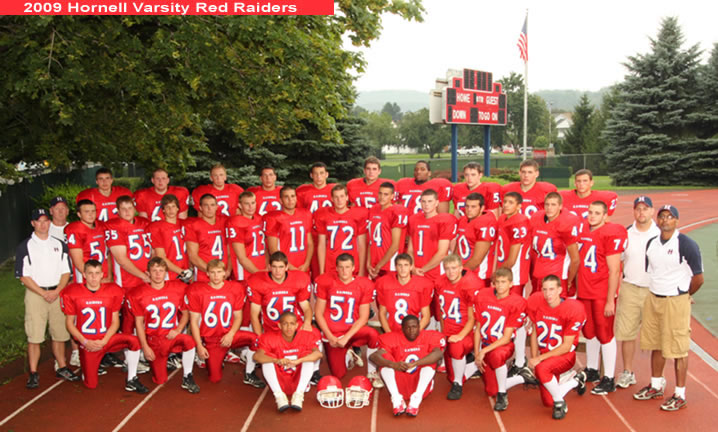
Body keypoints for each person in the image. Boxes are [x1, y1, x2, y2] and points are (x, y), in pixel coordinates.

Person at [634, 204, 704, 411]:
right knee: (656, 342)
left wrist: (684, 294)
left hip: (676, 300)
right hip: (654, 298)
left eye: (670, 217)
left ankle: (680, 394)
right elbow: (653, 272)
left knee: (679, 347)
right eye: (662, 216)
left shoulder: (686, 244)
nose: (665, 220)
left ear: (676, 220)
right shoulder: (652, 244)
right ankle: (656, 384)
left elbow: (698, 278)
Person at [60, 259, 148, 393]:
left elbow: (115, 322)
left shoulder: (112, 291)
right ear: (84, 274)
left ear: (102, 274)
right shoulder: (72, 292)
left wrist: (105, 341)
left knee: (134, 341)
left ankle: (132, 379)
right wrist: (84, 341)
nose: (94, 277)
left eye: (97, 273)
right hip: (87, 342)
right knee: (91, 385)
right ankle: (87, 367)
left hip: (106, 339)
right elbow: (69, 324)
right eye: (90, 273)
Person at [16, 208, 78, 389]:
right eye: (39, 221)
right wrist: (43, 293)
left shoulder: (59, 244)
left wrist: (58, 290)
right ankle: (34, 372)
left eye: (45, 220)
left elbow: (66, 271)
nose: (43, 224)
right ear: (33, 223)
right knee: (34, 336)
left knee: (59, 334)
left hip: (57, 292)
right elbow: (23, 276)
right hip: (36, 294)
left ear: (49, 222)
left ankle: (62, 366)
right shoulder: (25, 246)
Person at [576, 201, 627, 395]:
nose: (592, 216)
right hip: (585, 291)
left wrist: (609, 299)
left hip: (600, 292)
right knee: (589, 332)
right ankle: (592, 370)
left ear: (606, 216)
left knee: (605, 333)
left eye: (597, 213)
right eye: (590, 212)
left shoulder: (610, 233)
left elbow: (614, 270)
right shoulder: (584, 232)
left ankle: (609, 378)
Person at [130, 258, 198, 393]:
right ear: (147, 273)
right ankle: (162, 360)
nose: (157, 274)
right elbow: (139, 322)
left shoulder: (176, 288)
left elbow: (185, 313)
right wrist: (145, 347)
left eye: (161, 271)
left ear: (166, 272)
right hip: (154, 340)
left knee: (189, 341)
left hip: (171, 336)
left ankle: (187, 376)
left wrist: (178, 329)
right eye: (154, 271)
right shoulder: (139, 293)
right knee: (160, 380)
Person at [187, 259, 260, 385]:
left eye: (219, 272)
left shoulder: (235, 288)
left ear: (225, 273)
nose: (216, 276)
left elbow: (238, 316)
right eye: (213, 272)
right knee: (214, 379)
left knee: (256, 339)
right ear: (207, 274)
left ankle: (249, 373)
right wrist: (199, 345)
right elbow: (194, 321)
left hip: (230, 335)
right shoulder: (198, 290)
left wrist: (231, 334)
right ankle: (216, 357)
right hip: (212, 340)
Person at [314, 254, 382, 387]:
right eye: (341, 267)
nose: (344, 271)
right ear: (336, 269)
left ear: (353, 268)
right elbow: (318, 313)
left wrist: (346, 337)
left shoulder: (363, 284)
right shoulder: (326, 281)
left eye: (347, 267)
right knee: (339, 374)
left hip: (352, 331)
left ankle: (372, 372)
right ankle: (348, 353)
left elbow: (363, 317)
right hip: (333, 334)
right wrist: (329, 335)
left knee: (373, 334)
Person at [465, 268, 528, 410]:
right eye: (497, 282)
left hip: (503, 346)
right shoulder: (483, 296)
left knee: (497, 355)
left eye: (503, 282)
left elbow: (506, 338)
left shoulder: (516, 302)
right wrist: (477, 353)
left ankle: (502, 394)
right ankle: (522, 377)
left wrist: (483, 351)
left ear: (511, 284)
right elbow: (478, 327)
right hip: (487, 344)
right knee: (490, 391)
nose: (500, 285)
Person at [526, 275, 587, 420]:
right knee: (547, 402)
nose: (548, 294)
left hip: (564, 356)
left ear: (560, 290)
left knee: (542, 370)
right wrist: (535, 357)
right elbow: (534, 332)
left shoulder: (572, 308)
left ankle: (560, 403)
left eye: (552, 289)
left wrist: (539, 360)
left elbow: (566, 346)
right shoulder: (536, 302)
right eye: (545, 290)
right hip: (546, 355)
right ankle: (576, 380)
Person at [615, 196, 660, 389]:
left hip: (654, 290)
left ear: (652, 211)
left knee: (656, 335)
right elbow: (618, 260)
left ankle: (657, 378)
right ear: (634, 211)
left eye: (645, 208)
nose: (641, 212)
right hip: (630, 287)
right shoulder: (626, 233)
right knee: (627, 333)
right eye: (638, 209)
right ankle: (627, 372)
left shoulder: (661, 234)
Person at [369, 315, 446, 417]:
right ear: (402, 329)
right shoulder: (392, 338)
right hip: (400, 382)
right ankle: (396, 399)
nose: (411, 330)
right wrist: (394, 364)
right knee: (384, 360)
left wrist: (416, 363)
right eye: (408, 327)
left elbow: (438, 354)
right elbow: (374, 356)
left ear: (419, 326)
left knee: (431, 360)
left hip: (420, 384)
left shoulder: (430, 337)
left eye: (414, 327)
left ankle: (416, 400)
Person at [254, 311, 323, 412]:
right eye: (285, 324)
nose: (289, 327)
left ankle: (299, 395)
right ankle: (279, 396)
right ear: (279, 325)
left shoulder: (306, 336)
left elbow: (318, 354)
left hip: (298, 379)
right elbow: (257, 356)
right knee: (267, 360)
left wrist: (298, 361)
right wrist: (276, 360)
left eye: (291, 324)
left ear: (297, 325)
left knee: (308, 359)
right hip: (279, 380)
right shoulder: (269, 337)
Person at [434, 254, 479, 400]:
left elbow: (472, 319)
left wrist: (460, 336)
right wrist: (443, 331)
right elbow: (441, 311)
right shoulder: (440, 281)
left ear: (461, 268)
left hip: (466, 332)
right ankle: (475, 367)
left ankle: (458, 385)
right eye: (447, 269)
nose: (450, 272)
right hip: (449, 330)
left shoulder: (470, 284)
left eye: (454, 268)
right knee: (450, 375)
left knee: (456, 347)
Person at [106, 196, 152, 335]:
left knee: (147, 313)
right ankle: (129, 350)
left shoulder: (144, 223)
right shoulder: (114, 226)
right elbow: (121, 259)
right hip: (127, 280)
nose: (127, 212)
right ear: (117, 211)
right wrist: (143, 275)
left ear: (135, 209)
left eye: (130, 208)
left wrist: (152, 270)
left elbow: (154, 248)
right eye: (123, 209)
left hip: (147, 276)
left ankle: (144, 346)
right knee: (129, 316)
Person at [496, 192, 531, 373]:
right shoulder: (504, 218)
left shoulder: (519, 221)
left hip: (514, 276)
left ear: (519, 205)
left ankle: (520, 360)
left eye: (511, 202)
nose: (506, 205)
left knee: (515, 318)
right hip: (506, 272)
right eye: (505, 202)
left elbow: (513, 256)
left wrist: (501, 275)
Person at [529, 192, 580, 297]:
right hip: (539, 275)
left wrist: (569, 280)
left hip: (558, 277)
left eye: (553, 205)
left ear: (560, 206)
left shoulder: (566, 223)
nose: (549, 208)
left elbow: (575, 259)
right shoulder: (536, 218)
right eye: (547, 204)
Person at [315, 184, 368, 276]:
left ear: (347, 197)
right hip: (331, 262)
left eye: (342, 196)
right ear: (331, 198)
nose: (339, 200)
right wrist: (321, 271)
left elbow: (362, 245)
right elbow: (321, 244)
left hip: (351, 262)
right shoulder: (323, 215)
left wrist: (362, 270)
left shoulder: (358, 215)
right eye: (336, 197)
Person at [406, 189, 457, 281]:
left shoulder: (443, 221)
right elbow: (410, 249)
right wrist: (412, 267)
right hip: (416, 270)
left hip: (434, 271)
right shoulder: (414, 219)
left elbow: (442, 253)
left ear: (437, 203)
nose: (426, 204)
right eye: (423, 201)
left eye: (430, 201)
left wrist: (423, 270)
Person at [375, 254, 432, 333]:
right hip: (392, 331)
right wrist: (389, 333)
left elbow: (426, 316)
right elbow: (382, 313)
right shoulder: (384, 284)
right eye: (400, 265)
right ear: (395, 267)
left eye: (406, 265)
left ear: (411, 267)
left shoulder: (422, 285)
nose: (403, 269)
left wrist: (414, 332)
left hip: (413, 333)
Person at [265, 186, 314, 274]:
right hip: (284, 269)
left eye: (292, 196)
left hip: (303, 267)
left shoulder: (305, 214)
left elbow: (309, 243)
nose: (290, 200)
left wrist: (306, 264)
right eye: (286, 197)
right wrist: (290, 267)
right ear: (280, 200)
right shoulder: (274, 218)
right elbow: (273, 249)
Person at [367, 182, 409, 279]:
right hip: (374, 263)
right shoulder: (374, 209)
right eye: (380, 193)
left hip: (389, 264)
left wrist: (379, 266)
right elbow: (370, 239)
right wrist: (368, 263)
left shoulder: (396, 212)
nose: (382, 197)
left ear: (392, 196)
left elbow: (395, 245)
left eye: (386, 194)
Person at [454, 192, 498, 286]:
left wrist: (457, 274)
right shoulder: (463, 220)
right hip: (461, 271)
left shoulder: (485, 223)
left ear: (482, 208)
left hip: (478, 275)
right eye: (467, 206)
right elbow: (458, 247)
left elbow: (477, 260)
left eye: (473, 207)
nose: (469, 210)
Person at [185, 194, 229, 282]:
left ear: (217, 207)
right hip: (204, 274)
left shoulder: (225, 222)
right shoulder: (193, 226)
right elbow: (193, 256)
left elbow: (231, 251)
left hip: (224, 274)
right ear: (200, 208)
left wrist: (228, 271)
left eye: (212, 205)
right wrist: (213, 273)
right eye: (206, 205)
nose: (209, 208)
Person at [66, 199, 112, 284]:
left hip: (104, 276)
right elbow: (78, 261)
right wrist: (95, 279)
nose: (91, 215)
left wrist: (109, 276)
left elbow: (107, 253)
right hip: (87, 280)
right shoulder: (75, 230)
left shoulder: (102, 226)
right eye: (87, 212)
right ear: (79, 214)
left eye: (93, 211)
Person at [148, 194, 192, 282]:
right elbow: (160, 256)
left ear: (178, 208)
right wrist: (182, 272)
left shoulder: (185, 224)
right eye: (167, 207)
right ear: (163, 210)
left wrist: (189, 270)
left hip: (187, 270)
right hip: (170, 272)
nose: (171, 210)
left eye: (173, 206)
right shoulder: (157, 227)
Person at [227, 191, 267, 281]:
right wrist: (257, 273)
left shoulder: (259, 219)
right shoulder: (236, 222)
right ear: (240, 205)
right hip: (245, 273)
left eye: (252, 203)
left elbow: (265, 247)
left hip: (262, 268)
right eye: (246, 204)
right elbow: (241, 258)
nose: (250, 206)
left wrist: (266, 268)